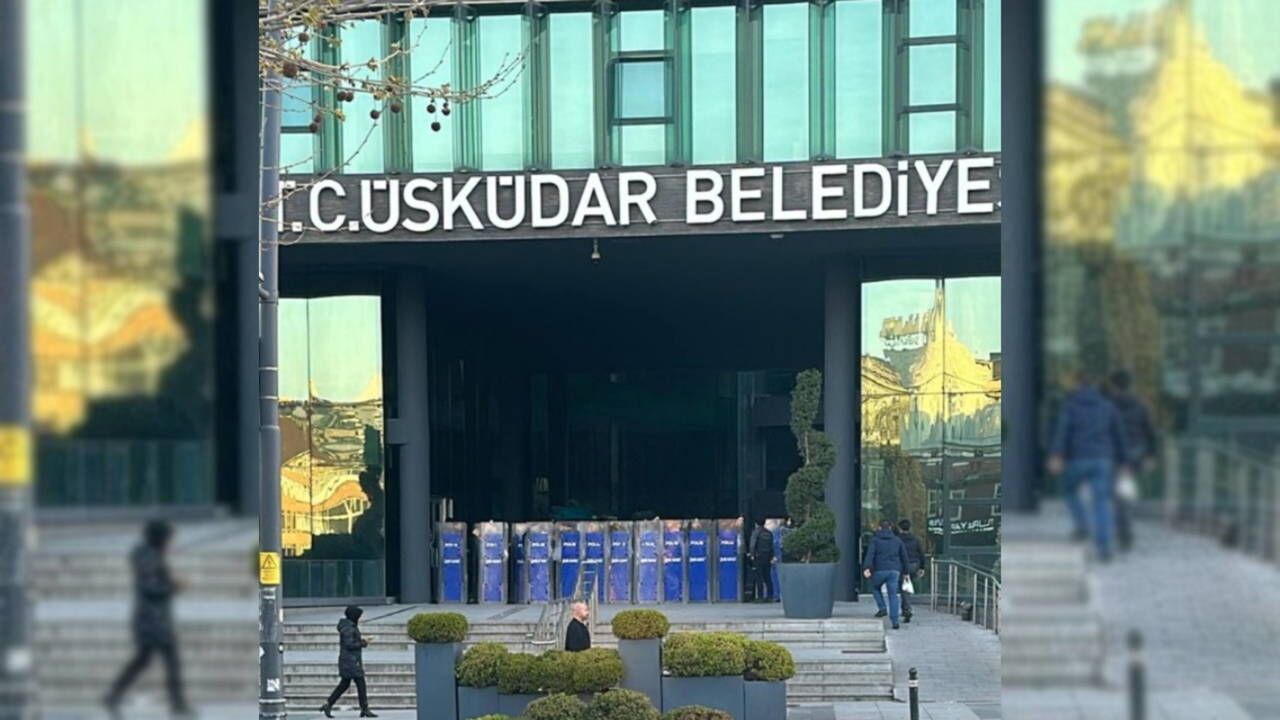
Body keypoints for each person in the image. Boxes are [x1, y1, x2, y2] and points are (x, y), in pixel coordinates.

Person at [104, 519, 191, 719]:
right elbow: (151, 587)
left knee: (145, 660)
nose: (170, 543)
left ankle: (113, 696)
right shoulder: (149, 558)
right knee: (166, 660)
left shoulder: (148, 555)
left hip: (152, 619)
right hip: (153, 621)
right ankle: (177, 704)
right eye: (168, 539)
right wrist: (175, 586)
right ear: (160, 538)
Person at [1048, 370, 1128, 561]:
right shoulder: (1108, 407)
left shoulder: (1070, 407)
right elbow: (1119, 436)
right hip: (1102, 459)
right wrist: (1124, 461)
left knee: (1069, 491)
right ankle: (1104, 547)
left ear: (1078, 386)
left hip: (1077, 458)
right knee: (1102, 502)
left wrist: (1057, 455)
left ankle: (1082, 525)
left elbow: (1062, 432)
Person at [1105, 369, 1158, 552]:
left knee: (1116, 496)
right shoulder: (1141, 405)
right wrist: (1151, 455)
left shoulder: (1107, 405)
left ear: (1113, 385)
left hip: (1113, 454)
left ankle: (1122, 531)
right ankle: (1124, 531)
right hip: (1134, 453)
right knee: (1123, 492)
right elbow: (1150, 432)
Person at [321, 606, 377, 718]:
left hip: (349, 660)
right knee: (360, 683)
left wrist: (362, 641)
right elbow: (349, 644)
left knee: (345, 684)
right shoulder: (349, 628)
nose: (360, 619)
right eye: (359, 616)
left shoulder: (348, 626)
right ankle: (364, 709)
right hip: (351, 661)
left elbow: (351, 642)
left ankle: (328, 704)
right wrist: (363, 643)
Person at [862, 520, 911, 630]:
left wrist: (867, 568)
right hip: (894, 571)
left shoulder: (875, 540)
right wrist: (906, 572)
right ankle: (895, 621)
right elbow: (904, 557)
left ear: (879, 528)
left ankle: (882, 608)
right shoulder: (897, 540)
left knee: (875, 587)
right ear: (890, 528)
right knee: (893, 595)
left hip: (879, 570)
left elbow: (870, 555)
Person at [895, 519, 926, 623]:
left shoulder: (897, 539)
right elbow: (921, 553)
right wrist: (922, 567)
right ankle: (905, 608)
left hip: (902, 565)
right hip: (914, 565)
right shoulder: (916, 539)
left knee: (904, 588)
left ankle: (907, 609)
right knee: (906, 587)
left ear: (900, 528)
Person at [747, 519, 775, 602]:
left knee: (759, 577)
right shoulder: (769, 533)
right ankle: (770, 596)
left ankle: (760, 597)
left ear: (756, 524)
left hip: (758, 557)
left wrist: (752, 555)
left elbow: (752, 545)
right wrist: (771, 557)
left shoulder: (756, 532)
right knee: (767, 578)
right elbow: (771, 546)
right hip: (767, 558)